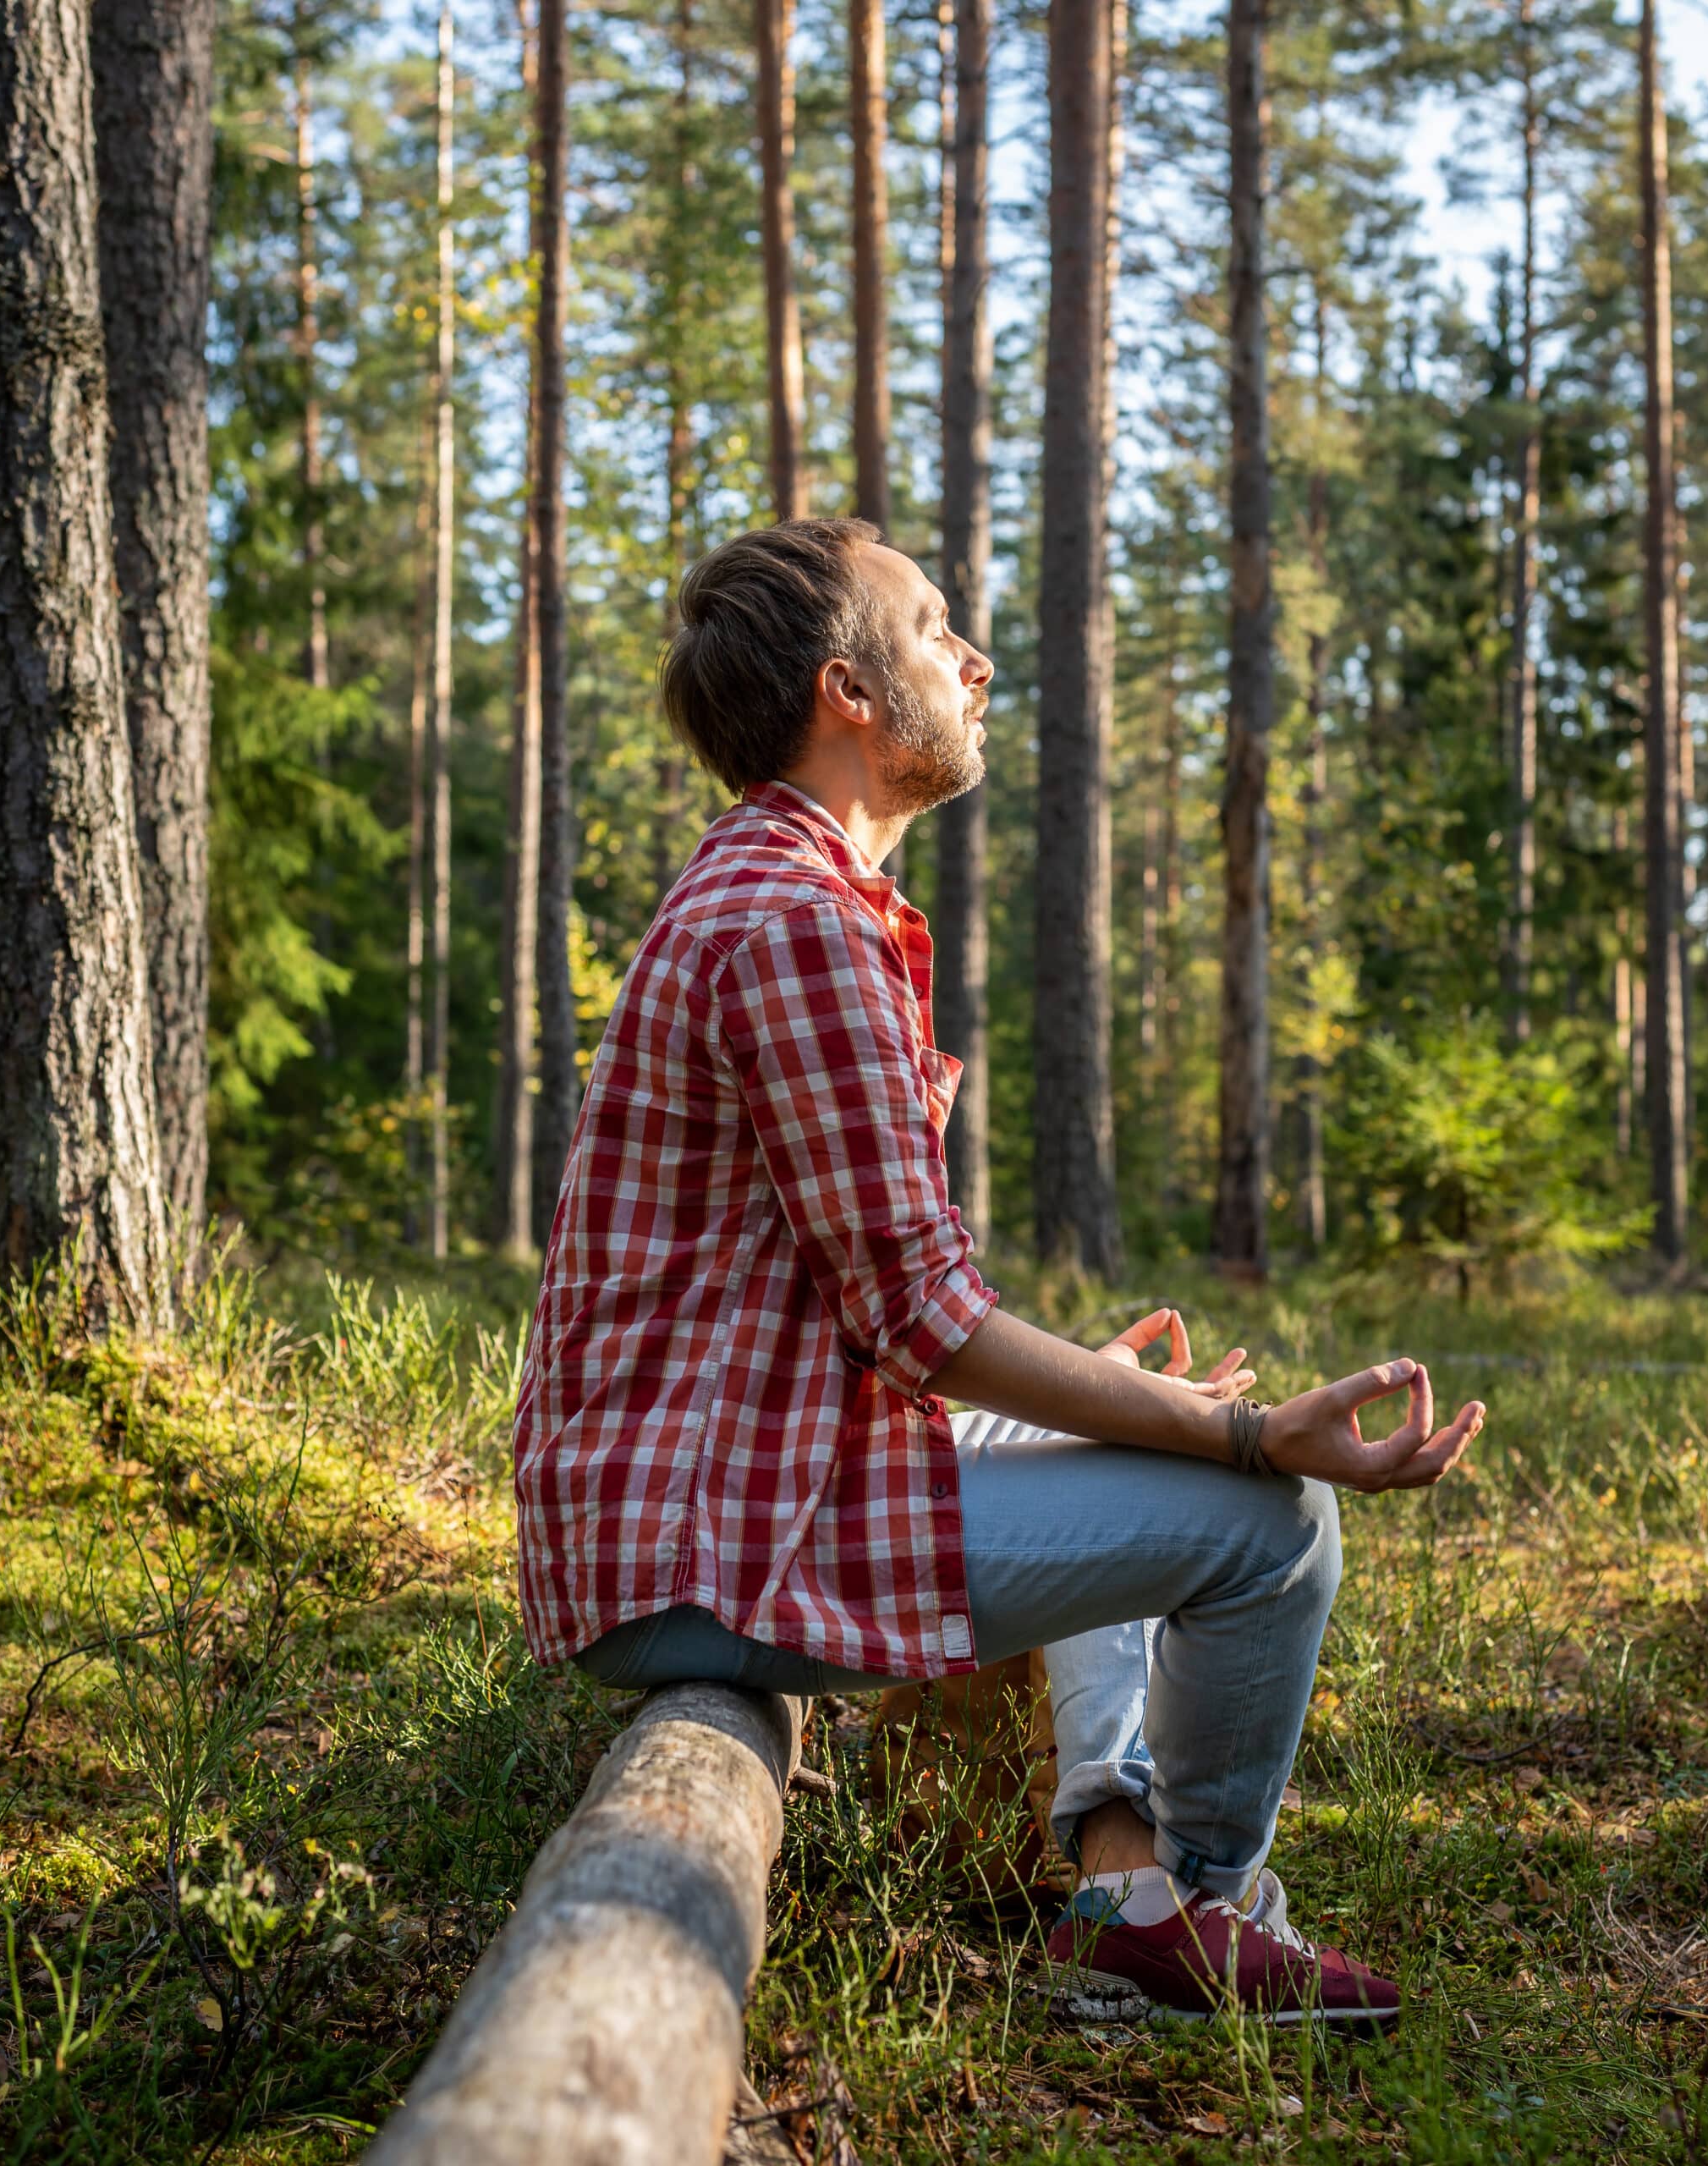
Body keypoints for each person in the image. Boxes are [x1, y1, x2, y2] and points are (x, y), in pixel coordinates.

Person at [512, 519, 1485, 2029]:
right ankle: (1192, 1924)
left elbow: (864, 1310)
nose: (972, 663)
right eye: (932, 629)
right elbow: (924, 1321)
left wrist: (1101, 1397)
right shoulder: (796, 922)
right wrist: (1237, 1434)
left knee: (1114, 1430)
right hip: (707, 1545)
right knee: (1274, 1526)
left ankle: (1125, 1876)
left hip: (706, 1499)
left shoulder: (776, 890)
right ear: (847, 692)